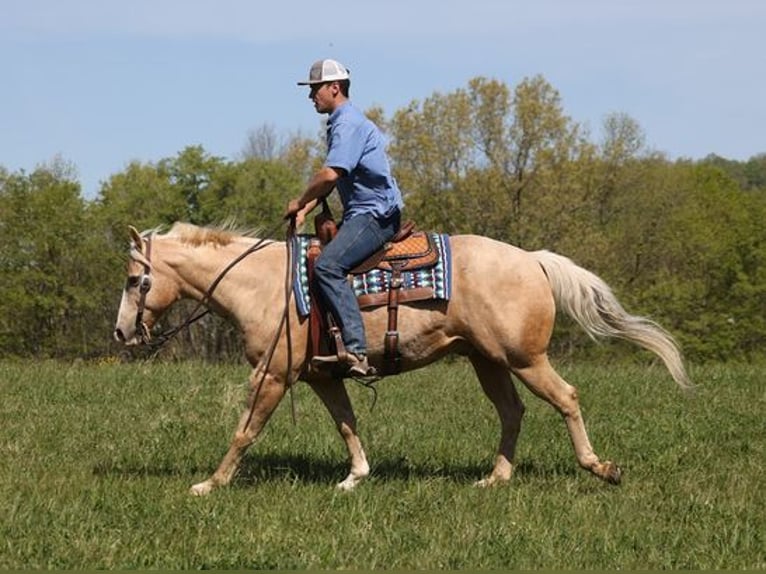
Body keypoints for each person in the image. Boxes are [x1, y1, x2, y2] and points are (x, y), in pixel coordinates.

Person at [285, 59, 403, 376]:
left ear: (334, 88)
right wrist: (306, 210)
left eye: (315, 90)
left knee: (327, 265)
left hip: (376, 215)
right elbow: (335, 179)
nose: (311, 97)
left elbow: (329, 175)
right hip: (364, 212)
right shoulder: (342, 122)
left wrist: (299, 202)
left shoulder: (348, 123)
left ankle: (356, 350)